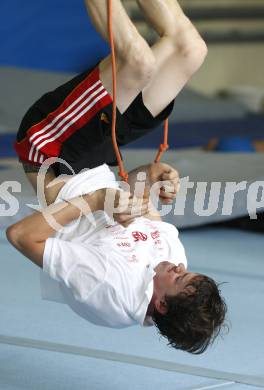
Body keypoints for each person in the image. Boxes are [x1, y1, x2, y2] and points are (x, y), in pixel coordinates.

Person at [7, 0, 227, 354]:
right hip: (101, 153)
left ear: (162, 306)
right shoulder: (172, 258)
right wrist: (154, 177)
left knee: (137, 63)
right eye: (187, 270)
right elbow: (131, 197)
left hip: (54, 150)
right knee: (189, 49)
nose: (179, 265)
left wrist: (96, 201)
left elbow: (22, 236)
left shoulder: (110, 292)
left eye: (178, 276)